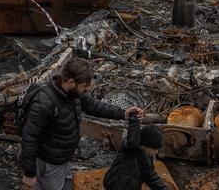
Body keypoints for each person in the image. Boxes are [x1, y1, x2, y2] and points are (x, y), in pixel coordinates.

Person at [20, 57, 144, 190]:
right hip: (50, 163)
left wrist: (123, 113)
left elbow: (95, 107)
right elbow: (29, 138)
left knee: (67, 185)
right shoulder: (44, 102)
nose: (87, 89)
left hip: (63, 157)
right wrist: (30, 173)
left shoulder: (74, 94)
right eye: (84, 86)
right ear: (71, 82)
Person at [103, 113, 168, 190]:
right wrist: (134, 121)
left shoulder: (146, 155)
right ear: (145, 146)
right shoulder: (129, 151)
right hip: (119, 184)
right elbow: (131, 141)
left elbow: (150, 176)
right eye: (155, 149)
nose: (156, 152)